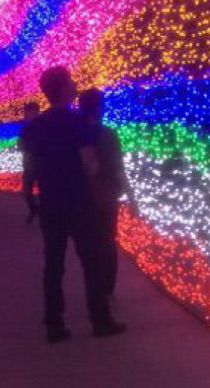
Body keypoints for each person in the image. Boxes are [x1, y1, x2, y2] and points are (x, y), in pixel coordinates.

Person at [28, 66, 125, 343]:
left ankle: (54, 324)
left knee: (54, 264)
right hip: (79, 201)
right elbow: (89, 163)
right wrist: (97, 172)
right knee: (92, 262)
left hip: (50, 201)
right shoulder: (77, 122)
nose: (74, 85)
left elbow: (31, 164)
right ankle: (100, 320)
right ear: (62, 89)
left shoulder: (35, 126)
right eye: (70, 82)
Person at [79, 88, 137, 298]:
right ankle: (106, 289)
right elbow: (118, 168)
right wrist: (131, 197)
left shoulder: (74, 134)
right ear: (99, 108)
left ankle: (95, 289)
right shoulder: (108, 134)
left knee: (90, 245)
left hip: (82, 198)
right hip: (105, 197)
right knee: (107, 242)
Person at [18, 102, 40, 223]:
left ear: (36, 111)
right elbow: (20, 145)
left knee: (43, 190)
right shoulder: (25, 127)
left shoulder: (43, 125)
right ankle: (34, 209)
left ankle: (42, 212)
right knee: (26, 191)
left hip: (40, 164)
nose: (26, 114)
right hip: (28, 163)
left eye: (29, 111)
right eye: (26, 112)